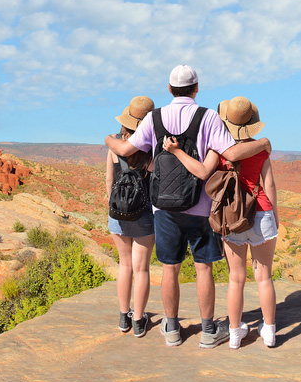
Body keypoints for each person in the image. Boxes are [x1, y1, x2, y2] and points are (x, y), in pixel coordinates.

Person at [105, 65, 271, 348]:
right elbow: (230, 153)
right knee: (203, 268)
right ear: (196, 88)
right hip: (201, 207)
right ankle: (208, 331)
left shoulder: (155, 118)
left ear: (169, 89)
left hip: (164, 209)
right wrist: (265, 143)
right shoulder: (208, 117)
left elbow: (123, 150)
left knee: (170, 269)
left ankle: (171, 329)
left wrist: (107, 139)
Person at [162, 96, 279, 349]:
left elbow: (203, 172)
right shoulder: (261, 149)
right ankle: (269, 332)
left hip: (231, 216)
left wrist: (176, 151)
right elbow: (268, 186)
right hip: (261, 213)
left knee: (236, 278)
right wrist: (275, 217)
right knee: (264, 277)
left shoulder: (218, 150)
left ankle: (235, 335)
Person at [106, 95, 156, 338]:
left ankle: (123, 316)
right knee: (142, 269)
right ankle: (138, 321)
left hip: (117, 214)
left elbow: (109, 180)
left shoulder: (115, 145)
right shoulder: (151, 147)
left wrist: (116, 206)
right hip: (144, 215)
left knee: (124, 266)